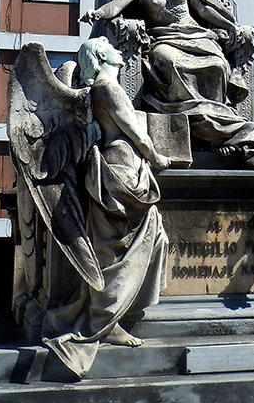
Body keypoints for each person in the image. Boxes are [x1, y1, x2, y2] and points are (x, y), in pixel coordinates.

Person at [81, 0, 254, 167]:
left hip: (196, 34)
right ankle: (205, 130)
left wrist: (229, 26)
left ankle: (217, 129)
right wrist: (97, 13)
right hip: (164, 39)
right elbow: (114, 6)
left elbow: (203, 8)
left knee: (217, 64)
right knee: (169, 62)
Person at [41, 37, 171, 377]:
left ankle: (112, 316)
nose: (117, 49)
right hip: (123, 173)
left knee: (129, 246)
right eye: (110, 46)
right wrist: (158, 158)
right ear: (102, 55)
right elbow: (136, 134)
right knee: (117, 251)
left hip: (117, 170)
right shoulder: (108, 88)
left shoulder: (98, 90)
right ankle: (103, 323)